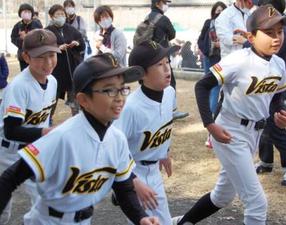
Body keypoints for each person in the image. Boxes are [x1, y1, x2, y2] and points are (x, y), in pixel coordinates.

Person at [0, 53, 161, 225]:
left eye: (122, 88)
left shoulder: (117, 139)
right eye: (109, 90)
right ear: (83, 100)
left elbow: (123, 187)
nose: (120, 97)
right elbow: (9, 179)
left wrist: (141, 217)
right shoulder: (63, 137)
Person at [173, 5, 286, 225]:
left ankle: (182, 222)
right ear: (250, 36)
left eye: (279, 32)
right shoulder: (238, 60)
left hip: (253, 134)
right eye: (269, 33)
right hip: (229, 132)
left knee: (222, 196)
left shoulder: (278, 63)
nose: (277, 38)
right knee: (257, 204)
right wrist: (209, 125)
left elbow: (275, 95)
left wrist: (280, 114)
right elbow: (202, 86)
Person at [114, 41, 178, 225]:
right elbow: (114, 148)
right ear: (141, 73)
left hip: (154, 172)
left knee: (163, 221)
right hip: (134, 173)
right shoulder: (130, 107)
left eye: (168, 62)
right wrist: (132, 182)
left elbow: (163, 124)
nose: (167, 69)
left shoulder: (169, 93)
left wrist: (164, 152)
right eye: (159, 64)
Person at [0, 29, 60, 224]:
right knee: (3, 211)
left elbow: (45, 117)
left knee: (44, 201)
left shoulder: (52, 81)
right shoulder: (19, 86)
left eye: (51, 55)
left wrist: (45, 133)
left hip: (32, 151)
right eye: (40, 57)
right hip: (5, 154)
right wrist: (45, 133)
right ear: (26, 57)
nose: (48, 62)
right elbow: (11, 130)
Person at [255, 0, 286, 186]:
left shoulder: (285, 31)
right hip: (262, 84)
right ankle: (266, 161)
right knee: (264, 124)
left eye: (263, 7)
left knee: (275, 124)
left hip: (273, 84)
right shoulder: (275, 28)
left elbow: (270, 56)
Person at [150, 0, 188, 120]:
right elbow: (172, 34)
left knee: (153, 82)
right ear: (157, 3)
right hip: (161, 54)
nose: (167, 4)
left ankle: (156, 109)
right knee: (170, 82)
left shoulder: (147, 17)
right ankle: (172, 110)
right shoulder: (163, 18)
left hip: (150, 56)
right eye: (165, 2)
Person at [46, 4, 85, 117]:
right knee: (52, 100)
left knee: (75, 102)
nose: (61, 17)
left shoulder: (71, 29)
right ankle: (47, 120)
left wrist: (77, 43)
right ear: (52, 16)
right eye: (57, 14)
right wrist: (57, 48)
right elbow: (44, 48)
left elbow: (82, 44)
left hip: (73, 71)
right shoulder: (47, 31)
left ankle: (77, 120)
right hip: (56, 72)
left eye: (62, 14)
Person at [198, 1, 227, 148]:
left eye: (222, 10)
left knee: (216, 90)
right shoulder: (208, 22)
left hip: (220, 60)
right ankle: (211, 124)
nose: (219, 12)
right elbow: (200, 39)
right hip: (209, 59)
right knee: (209, 89)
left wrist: (220, 46)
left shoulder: (226, 25)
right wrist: (207, 49)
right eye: (217, 10)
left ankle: (211, 125)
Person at [11, 3, 43, 71]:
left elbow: (41, 37)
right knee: (24, 73)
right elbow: (13, 38)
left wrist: (27, 37)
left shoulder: (37, 24)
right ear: (20, 13)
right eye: (24, 11)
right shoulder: (18, 25)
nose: (27, 13)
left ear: (32, 14)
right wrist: (20, 40)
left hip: (35, 55)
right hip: (23, 56)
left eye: (29, 12)